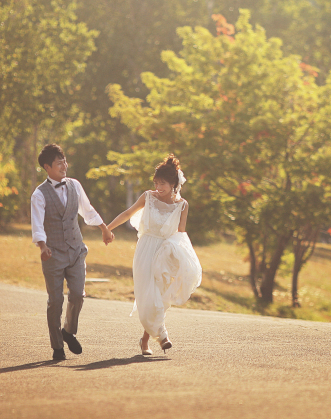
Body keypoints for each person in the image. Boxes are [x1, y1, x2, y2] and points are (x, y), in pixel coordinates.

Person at [106, 154, 202, 355]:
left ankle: (145, 340)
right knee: (147, 296)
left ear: (174, 184)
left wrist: (182, 258)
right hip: (145, 249)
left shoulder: (182, 205)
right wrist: (108, 228)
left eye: (163, 183)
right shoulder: (148, 197)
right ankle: (163, 335)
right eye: (156, 182)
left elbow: (181, 233)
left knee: (159, 296)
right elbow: (127, 213)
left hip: (165, 253)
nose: (158, 187)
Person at [30, 143, 113, 361]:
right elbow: (37, 224)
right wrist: (42, 246)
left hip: (76, 251)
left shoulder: (74, 185)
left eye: (64, 161)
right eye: (59, 163)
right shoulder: (39, 195)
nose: (64, 166)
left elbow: (88, 210)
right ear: (47, 167)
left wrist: (104, 228)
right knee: (55, 301)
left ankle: (68, 331)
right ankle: (57, 346)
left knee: (77, 295)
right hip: (53, 254)